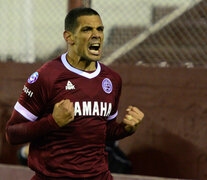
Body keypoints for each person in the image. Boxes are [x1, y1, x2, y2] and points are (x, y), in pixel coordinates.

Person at [6, 7, 144, 180]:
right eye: (87, 29)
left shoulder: (112, 79)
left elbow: (104, 131)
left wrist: (125, 129)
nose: (96, 35)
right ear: (69, 37)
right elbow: (12, 133)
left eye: (100, 29)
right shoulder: (47, 77)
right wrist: (52, 122)